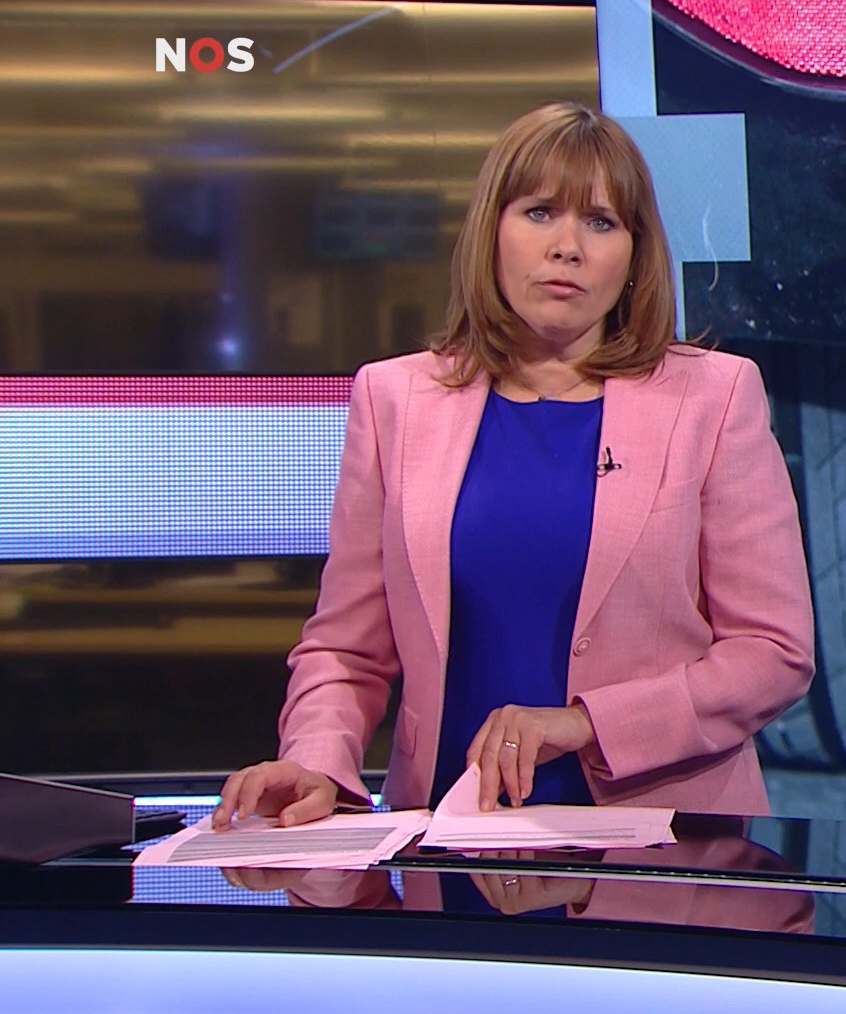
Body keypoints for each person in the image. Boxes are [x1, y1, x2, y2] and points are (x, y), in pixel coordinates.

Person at [212, 101, 814, 829]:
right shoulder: (394, 398)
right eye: (539, 213)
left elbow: (772, 652)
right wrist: (316, 761)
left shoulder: (713, 397)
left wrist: (587, 723)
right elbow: (346, 649)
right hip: (446, 829)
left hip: (665, 835)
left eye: (601, 222)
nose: (568, 247)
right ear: (491, 233)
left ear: (634, 255)